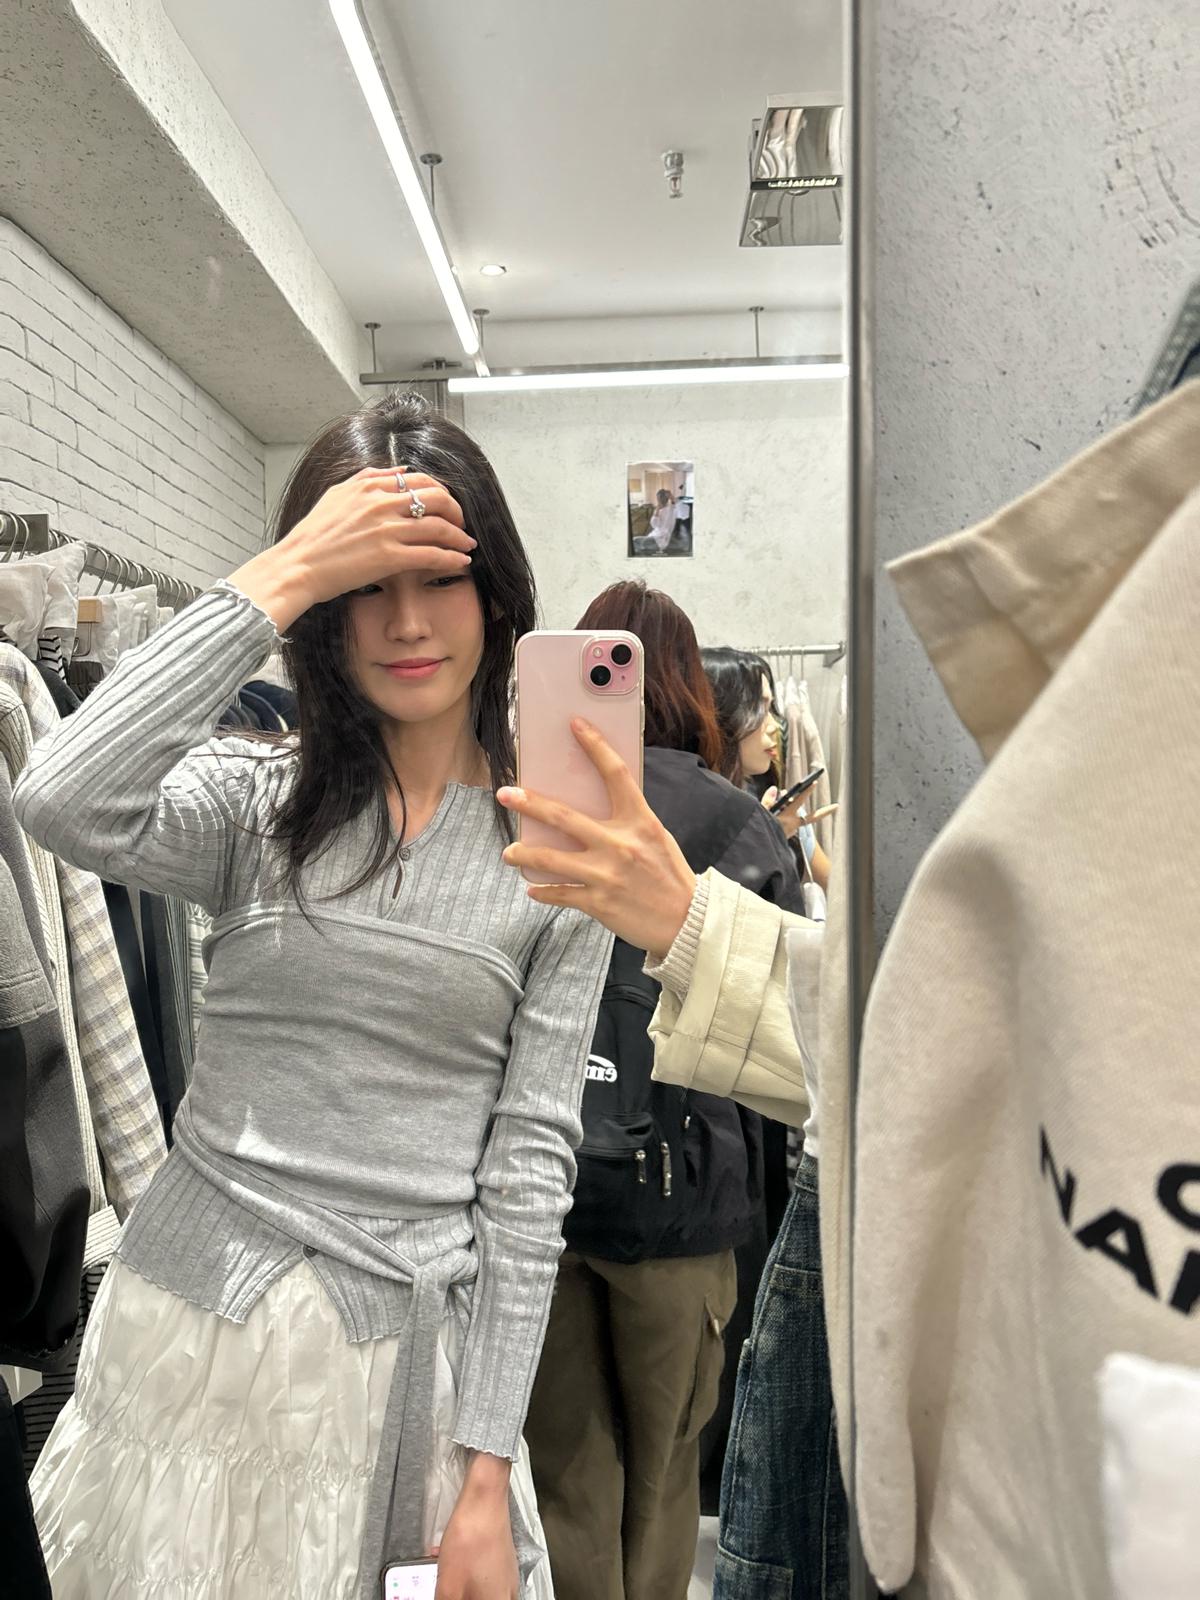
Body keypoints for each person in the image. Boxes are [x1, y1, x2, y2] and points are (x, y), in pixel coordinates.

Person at [15, 392, 613, 1600]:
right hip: (185, 1344)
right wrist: (283, 573)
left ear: (497, 593)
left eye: (439, 577)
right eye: (364, 584)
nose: (406, 621)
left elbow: (529, 1174)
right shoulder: (255, 805)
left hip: (398, 1379)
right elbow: (55, 796)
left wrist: (488, 1470)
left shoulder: (557, 856)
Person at [496, 720, 849, 1600]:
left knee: (565, 1470)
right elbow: (807, 1036)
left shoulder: (509, 798)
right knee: (664, 1473)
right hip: (680, 1198)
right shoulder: (732, 818)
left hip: (538, 1187)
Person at [702, 646, 832, 891]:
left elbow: (837, 891)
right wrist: (762, 840)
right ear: (720, 714)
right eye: (759, 709)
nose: (775, 726)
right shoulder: (687, 818)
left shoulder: (779, 810)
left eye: (771, 709)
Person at [632, 490, 677, 556]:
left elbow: (654, 524)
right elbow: (654, 525)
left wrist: (671, 497)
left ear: (667, 498)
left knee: (634, 541)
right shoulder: (659, 510)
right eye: (660, 498)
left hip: (661, 539)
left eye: (662, 497)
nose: (661, 500)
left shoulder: (671, 509)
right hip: (655, 536)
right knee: (635, 542)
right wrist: (657, 511)